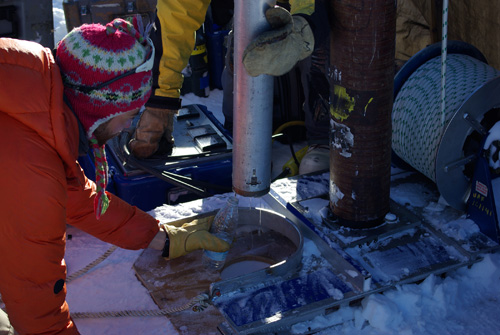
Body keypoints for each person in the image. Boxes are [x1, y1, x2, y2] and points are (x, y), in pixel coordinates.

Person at [0, 18, 229, 335]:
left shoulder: (33, 85)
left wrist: (158, 237)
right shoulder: (32, 169)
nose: (127, 129)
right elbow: (38, 312)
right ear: (100, 108)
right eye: (131, 114)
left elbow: (78, 199)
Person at [128, 0, 318, 161]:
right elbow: (177, 16)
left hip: (306, 25)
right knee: (236, 140)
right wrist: (161, 103)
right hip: (249, 27)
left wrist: (307, 23)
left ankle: (323, 141)